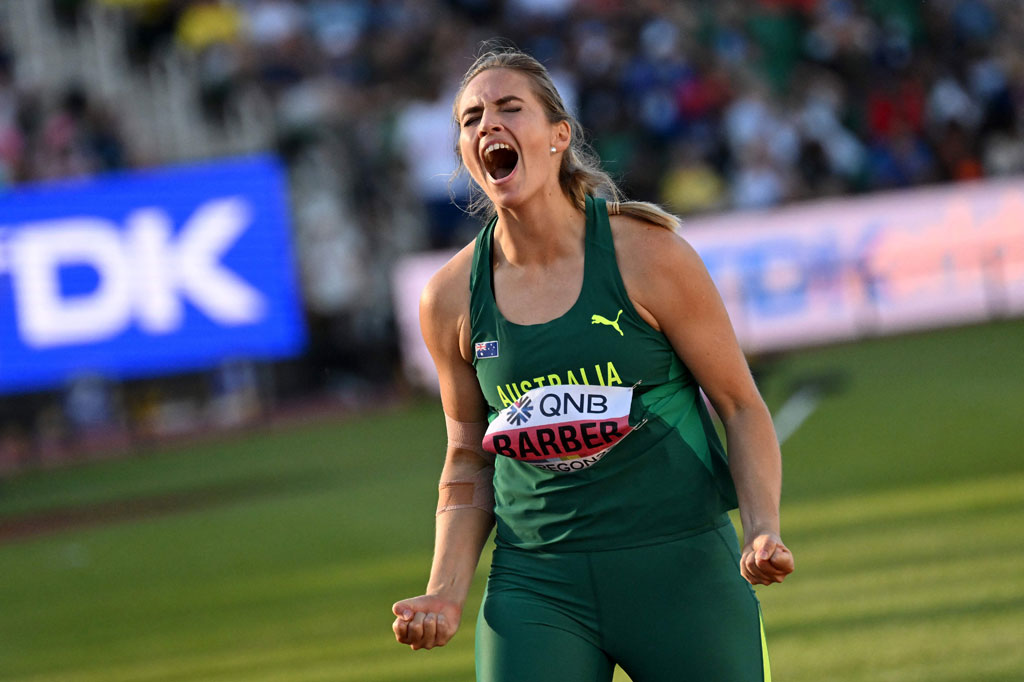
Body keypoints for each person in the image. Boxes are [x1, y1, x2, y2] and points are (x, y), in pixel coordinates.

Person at [392, 43, 794, 682]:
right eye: (471, 119)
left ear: (558, 136)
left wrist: (760, 529)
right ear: (466, 155)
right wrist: (444, 589)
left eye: (508, 108)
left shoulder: (648, 255)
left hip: (681, 569)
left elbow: (741, 405)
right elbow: (469, 453)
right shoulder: (448, 298)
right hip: (536, 586)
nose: (487, 124)